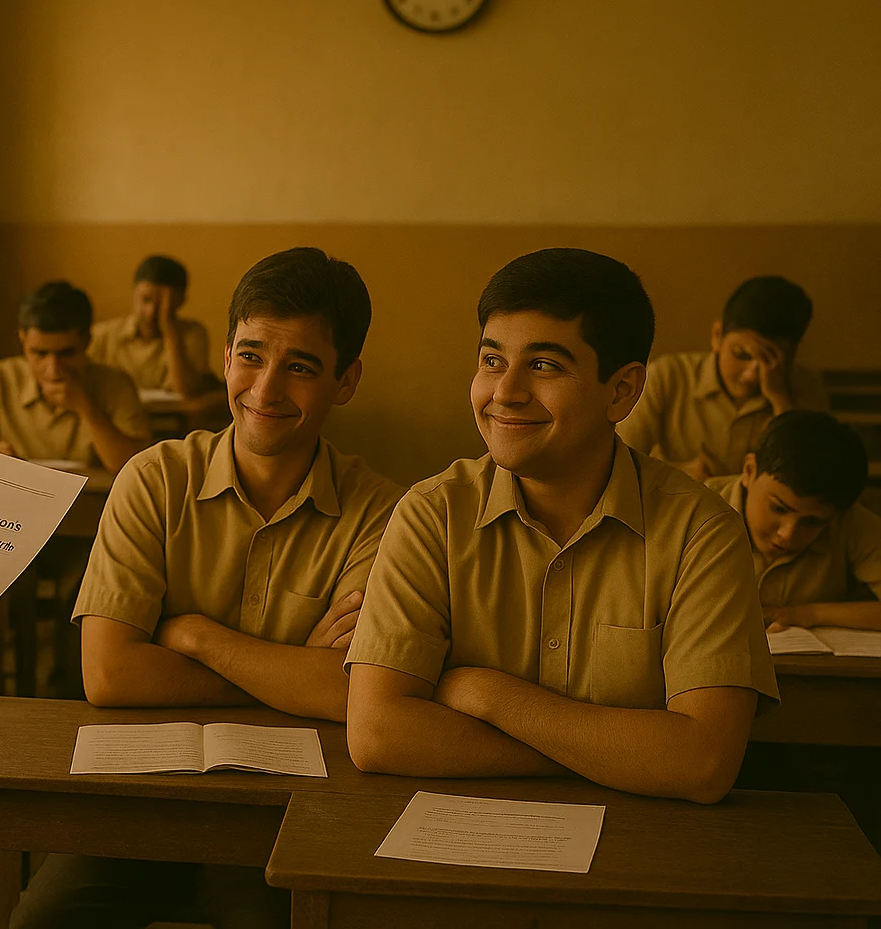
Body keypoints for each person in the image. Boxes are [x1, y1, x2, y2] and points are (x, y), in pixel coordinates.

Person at [10, 248, 402, 929]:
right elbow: (108, 673)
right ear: (224, 358)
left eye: (301, 367)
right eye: (250, 356)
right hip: (138, 795)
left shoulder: (383, 513)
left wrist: (193, 635)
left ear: (346, 381)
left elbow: (351, 694)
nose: (267, 388)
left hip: (292, 809)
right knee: (41, 919)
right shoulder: (153, 481)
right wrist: (288, 673)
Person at [346, 248, 778, 805]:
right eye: (492, 360)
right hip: (456, 850)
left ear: (622, 390)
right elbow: (379, 735)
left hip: (643, 861)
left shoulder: (703, 531)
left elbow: (701, 761)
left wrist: (492, 696)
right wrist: (616, 755)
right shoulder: (433, 514)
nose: (505, 392)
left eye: (545, 365)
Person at [618, 275, 829, 480]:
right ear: (717, 335)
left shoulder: (805, 387)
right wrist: (676, 475)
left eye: (771, 362)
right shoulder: (669, 375)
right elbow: (620, 460)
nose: (751, 375)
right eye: (741, 355)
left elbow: (809, 477)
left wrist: (780, 400)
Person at [0, 280, 151, 472]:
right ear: (22, 340)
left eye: (66, 353)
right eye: (39, 354)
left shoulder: (115, 384)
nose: (53, 370)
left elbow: (132, 469)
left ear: (87, 342)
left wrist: (86, 409)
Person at [705, 410, 881, 632]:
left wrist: (807, 613)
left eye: (812, 523)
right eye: (779, 508)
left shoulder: (850, 521)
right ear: (749, 471)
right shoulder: (693, 509)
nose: (787, 534)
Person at [89, 254, 214, 398]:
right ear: (134, 294)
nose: (151, 311)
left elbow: (184, 389)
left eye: (162, 304)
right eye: (146, 300)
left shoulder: (193, 334)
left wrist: (171, 334)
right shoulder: (102, 335)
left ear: (180, 301)